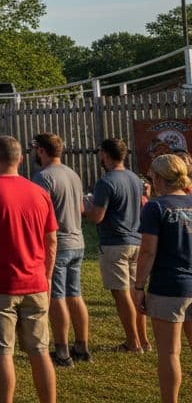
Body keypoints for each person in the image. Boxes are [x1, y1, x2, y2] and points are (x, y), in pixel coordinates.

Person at [0, 135, 58, 403]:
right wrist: (47, 275)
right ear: (20, 158)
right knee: (40, 351)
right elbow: (51, 240)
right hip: (36, 282)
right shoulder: (40, 193)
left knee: (2, 353)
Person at [84, 136, 150, 352]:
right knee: (134, 292)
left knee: (122, 295)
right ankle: (144, 340)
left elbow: (97, 217)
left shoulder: (106, 181)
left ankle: (132, 343)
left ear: (106, 154)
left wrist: (86, 204)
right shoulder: (134, 178)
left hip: (115, 243)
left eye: (100, 153)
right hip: (136, 240)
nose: (99, 157)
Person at [135, 154, 192, 403]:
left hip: (168, 286)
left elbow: (148, 251)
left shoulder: (156, 207)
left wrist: (138, 286)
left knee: (170, 352)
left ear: (157, 178)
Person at [31, 133, 91, 366]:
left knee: (57, 297)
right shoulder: (72, 174)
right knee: (74, 294)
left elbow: (39, 215)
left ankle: (62, 351)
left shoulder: (43, 177)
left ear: (42, 151)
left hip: (59, 244)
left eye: (36, 149)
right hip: (78, 241)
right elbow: (81, 207)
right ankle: (82, 346)